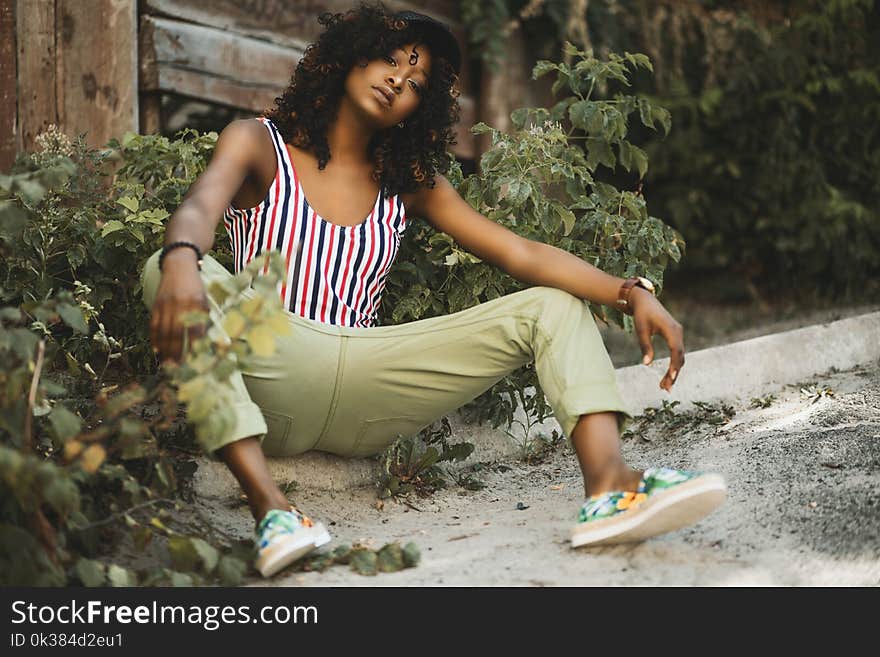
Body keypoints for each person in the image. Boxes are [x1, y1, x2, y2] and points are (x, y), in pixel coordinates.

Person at [142, 3, 726, 578]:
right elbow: (199, 207)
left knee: (550, 306)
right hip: (275, 363)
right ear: (348, 58)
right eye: (389, 60)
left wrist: (630, 292)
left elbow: (520, 252)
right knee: (163, 266)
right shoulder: (258, 144)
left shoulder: (409, 184)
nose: (398, 81)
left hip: (367, 387)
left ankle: (611, 487)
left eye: (417, 81)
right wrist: (180, 259)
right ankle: (274, 512)